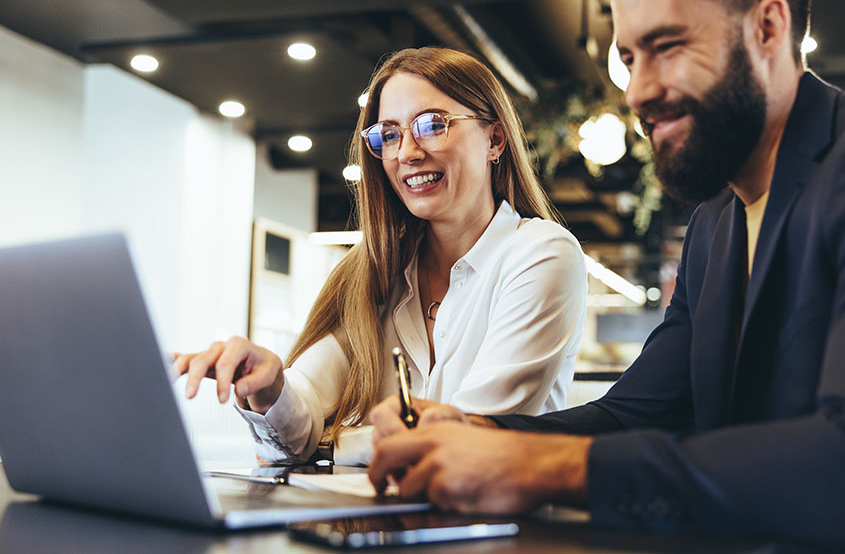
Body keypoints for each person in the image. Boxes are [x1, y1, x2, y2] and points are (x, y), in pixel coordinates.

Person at [367, 0, 845, 552]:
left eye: (666, 46)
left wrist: (539, 468)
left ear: (768, 28)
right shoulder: (716, 223)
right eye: (628, 59)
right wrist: (475, 429)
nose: (639, 91)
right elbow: (638, 413)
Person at [174, 47, 588, 465]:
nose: (407, 151)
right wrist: (270, 388)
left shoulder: (542, 254)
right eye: (389, 134)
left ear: (494, 139)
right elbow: (301, 412)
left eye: (432, 125)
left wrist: (330, 445)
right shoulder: (377, 273)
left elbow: (469, 436)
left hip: (504, 526)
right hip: (386, 526)